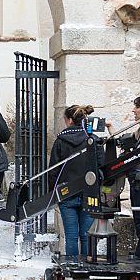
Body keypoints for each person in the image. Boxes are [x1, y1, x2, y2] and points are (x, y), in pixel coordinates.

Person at [107, 94, 140, 266]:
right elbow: (124, 144)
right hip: (137, 185)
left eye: (136, 107)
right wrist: (110, 127)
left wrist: (130, 163)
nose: (133, 110)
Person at [48, 104, 97, 259]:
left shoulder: (61, 141)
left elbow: (53, 170)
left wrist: (53, 193)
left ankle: (73, 273)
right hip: (89, 192)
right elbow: (101, 166)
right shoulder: (93, 140)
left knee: (71, 236)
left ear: (69, 120)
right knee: (87, 235)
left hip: (67, 192)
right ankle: (87, 272)